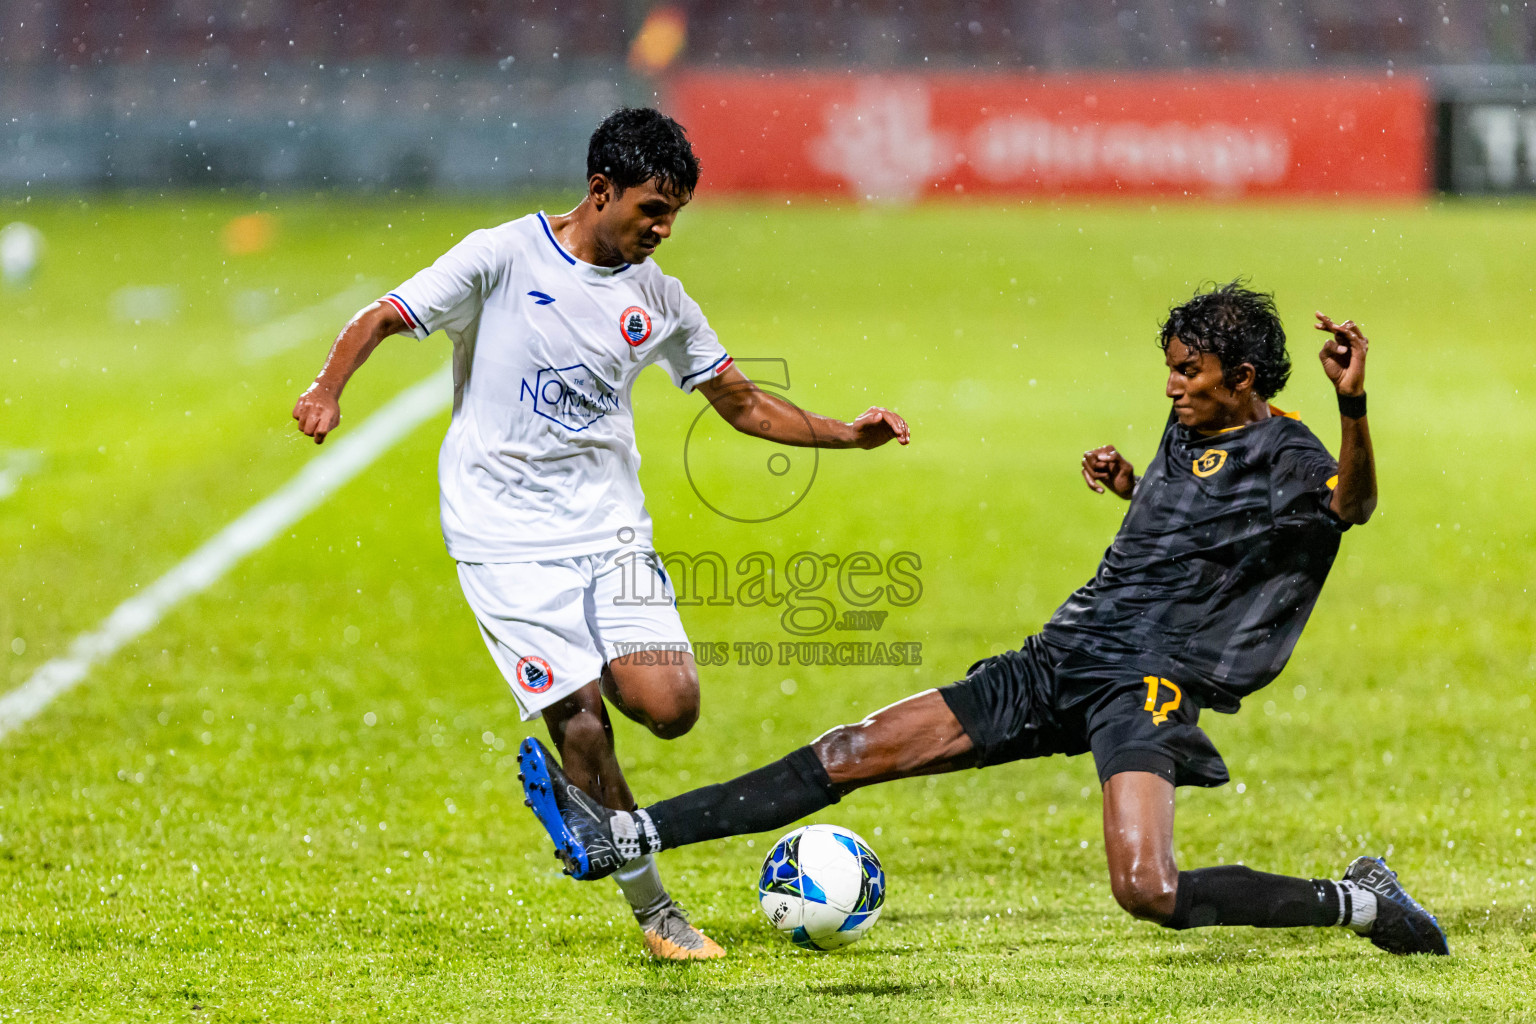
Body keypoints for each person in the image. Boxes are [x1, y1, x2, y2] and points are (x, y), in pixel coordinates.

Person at [518, 282, 1450, 957]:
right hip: (1063, 654)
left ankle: (1357, 901)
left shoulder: (1289, 450)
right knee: (853, 750)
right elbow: (1192, 534)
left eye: (1189, 374)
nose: (1172, 387)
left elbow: (1351, 506)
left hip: (1145, 683)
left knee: (1149, 891)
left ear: (1242, 376)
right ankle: (625, 836)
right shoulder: (1189, 426)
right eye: (1168, 370)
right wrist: (1135, 490)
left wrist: (1353, 402)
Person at [291, 107, 910, 960]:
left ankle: (587, 802)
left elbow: (743, 402)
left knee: (672, 706)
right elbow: (386, 316)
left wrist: (849, 434)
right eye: (652, 210)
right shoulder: (504, 255)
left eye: (674, 215)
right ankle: (657, 914)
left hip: (609, 531)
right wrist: (329, 389)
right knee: (582, 723)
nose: (663, 230)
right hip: (502, 534)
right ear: (599, 190)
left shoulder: (660, 300)